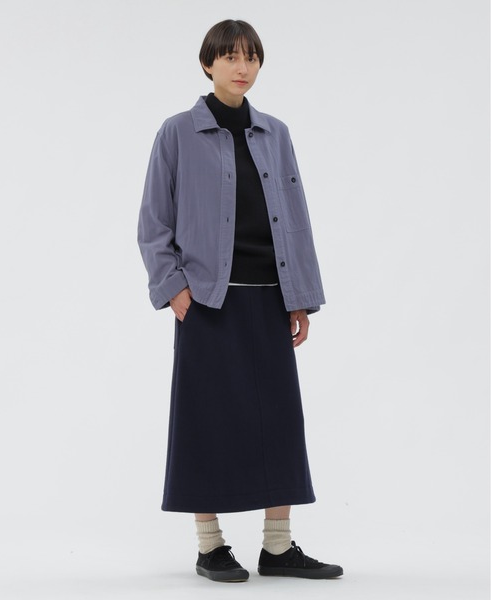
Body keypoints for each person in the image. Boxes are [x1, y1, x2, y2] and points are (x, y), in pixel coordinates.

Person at [137, 19, 343, 583]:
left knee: (279, 421)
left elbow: (296, 219)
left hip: (271, 298)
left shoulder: (275, 133)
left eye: (250, 56)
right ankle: (210, 546)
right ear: (208, 63)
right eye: (229, 56)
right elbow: (153, 221)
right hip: (207, 300)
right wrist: (174, 290)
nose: (241, 66)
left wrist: (301, 297)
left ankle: (278, 547)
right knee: (207, 421)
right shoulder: (177, 133)